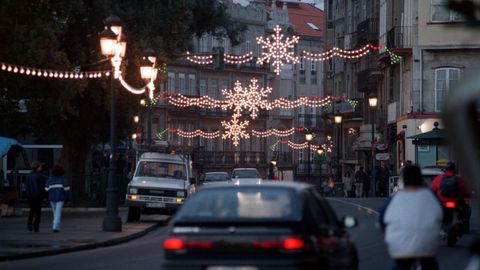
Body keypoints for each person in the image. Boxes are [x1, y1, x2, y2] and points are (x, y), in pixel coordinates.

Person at [379, 165, 443, 270]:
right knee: (430, 265)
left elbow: (381, 220)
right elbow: (446, 216)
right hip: (427, 246)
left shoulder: (395, 198)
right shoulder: (430, 196)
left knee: (401, 265)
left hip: (400, 246)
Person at [430, 161, 470, 230]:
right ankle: (464, 221)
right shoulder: (459, 179)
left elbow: (432, 189)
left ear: (445, 169)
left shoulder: (439, 178)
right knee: (466, 209)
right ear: (454, 169)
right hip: (457, 201)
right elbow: (465, 190)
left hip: (443, 201)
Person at [45, 165, 71, 233]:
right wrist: (68, 199)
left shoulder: (50, 179)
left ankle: (56, 226)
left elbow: (46, 189)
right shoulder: (63, 179)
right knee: (58, 212)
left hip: (52, 197)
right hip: (60, 197)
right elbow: (67, 190)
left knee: (55, 212)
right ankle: (55, 227)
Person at [25, 161, 47, 232]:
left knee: (32, 210)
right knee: (38, 212)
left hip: (30, 195)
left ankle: (29, 222)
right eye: (40, 166)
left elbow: (27, 186)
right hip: (38, 196)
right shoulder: (40, 176)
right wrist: (44, 196)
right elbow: (42, 186)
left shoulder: (29, 175)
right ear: (37, 167)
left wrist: (28, 194)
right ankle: (36, 226)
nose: (41, 168)